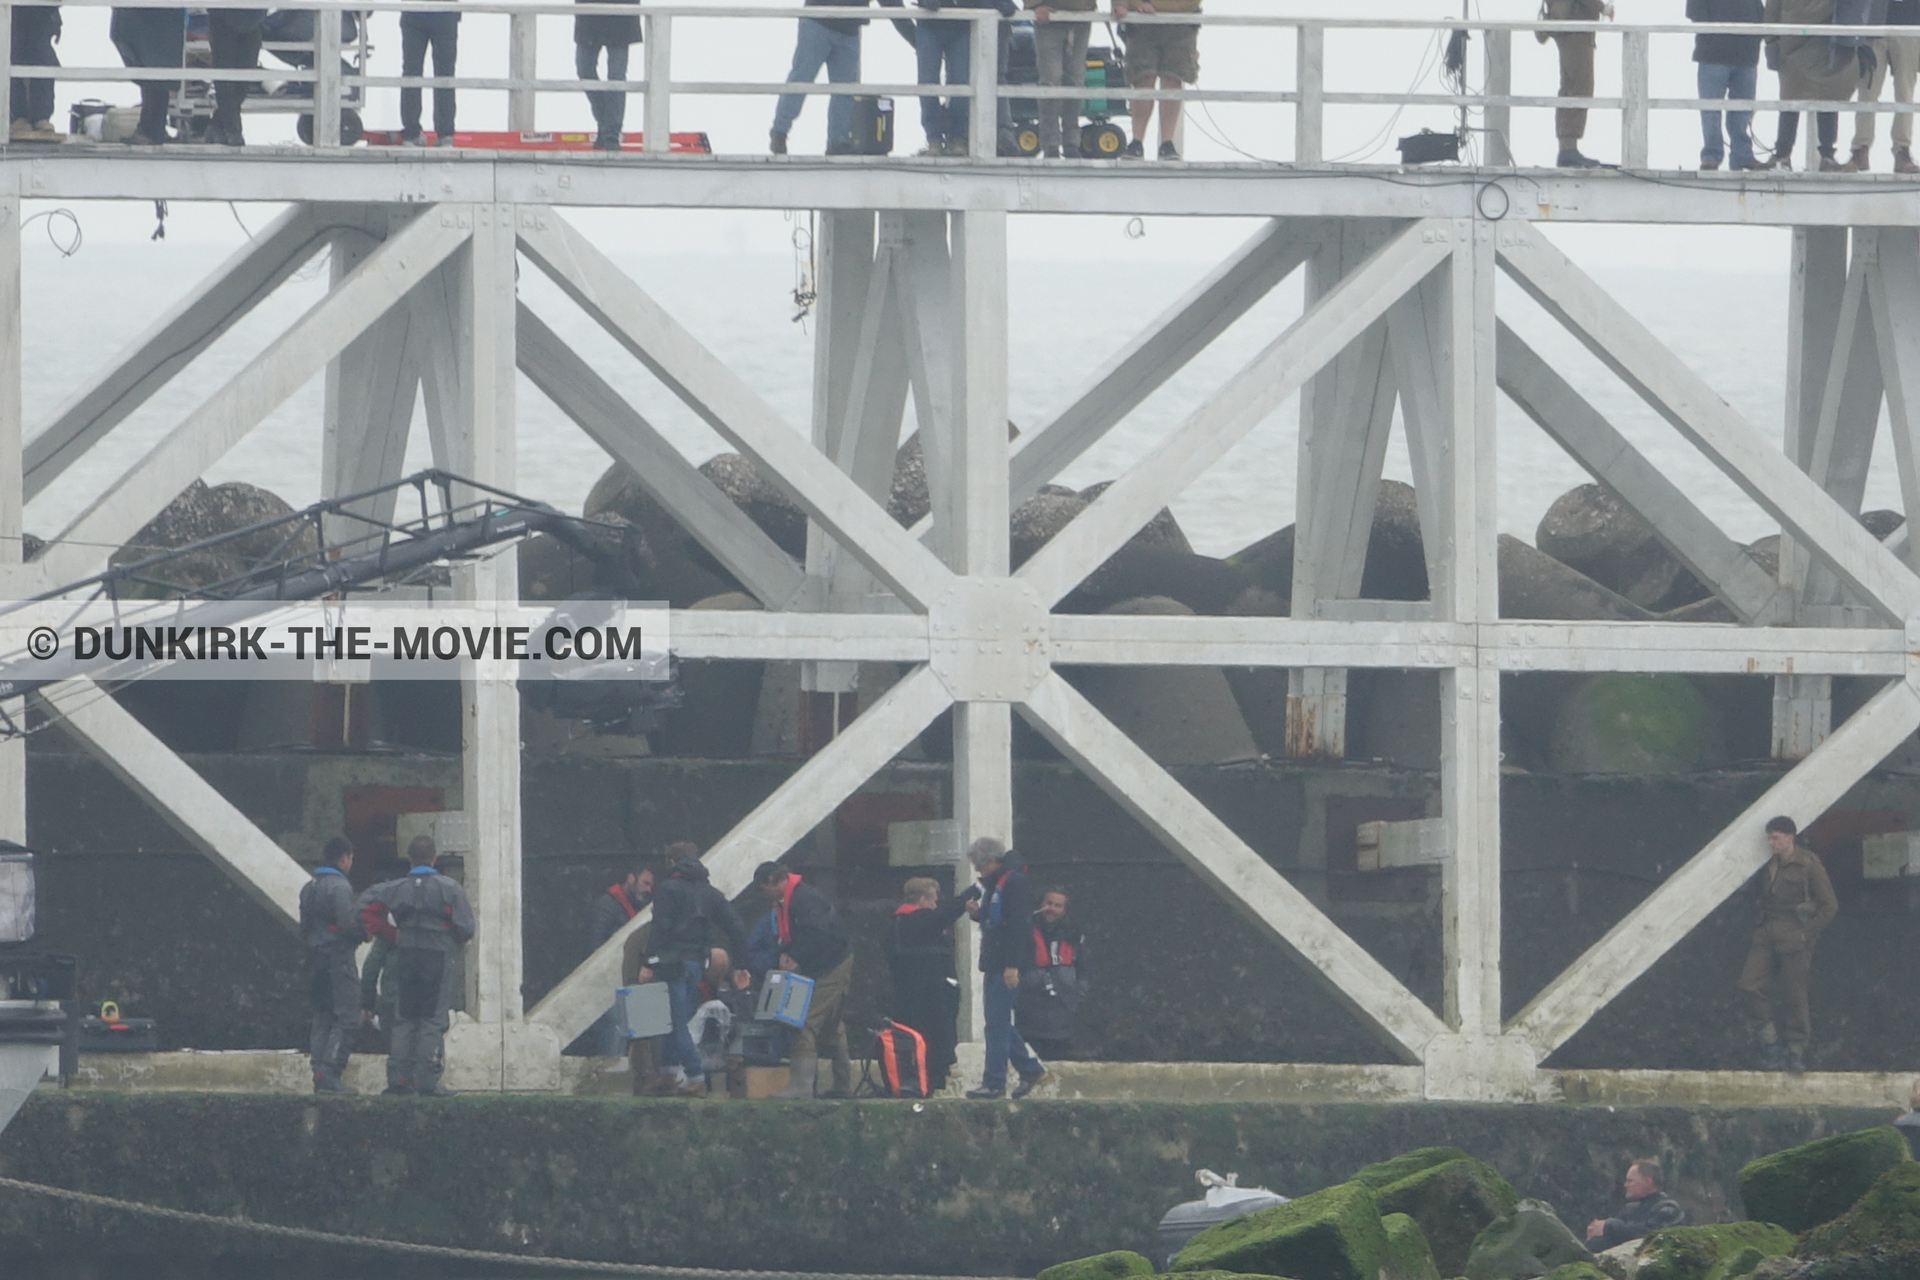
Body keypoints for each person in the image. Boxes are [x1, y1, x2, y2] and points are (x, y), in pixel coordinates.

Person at [358, 835, 474, 1096]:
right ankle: (427, 1082)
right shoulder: (450, 888)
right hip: (437, 956)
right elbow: (466, 928)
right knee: (432, 1021)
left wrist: (390, 932)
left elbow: (364, 909)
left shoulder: (393, 888)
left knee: (405, 1019)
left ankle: (398, 1080)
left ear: (409, 859)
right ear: (435, 859)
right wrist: (447, 936)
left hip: (406, 954)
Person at [638, 844, 749, 1098]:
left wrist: (647, 962)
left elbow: (660, 927)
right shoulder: (709, 892)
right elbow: (736, 927)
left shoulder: (668, 889)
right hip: (697, 964)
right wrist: (742, 963)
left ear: (672, 861)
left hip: (671, 963)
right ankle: (667, 1074)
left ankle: (696, 1077)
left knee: (675, 1022)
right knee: (673, 1018)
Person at [1737, 815, 1837, 1073]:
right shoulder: (1766, 864)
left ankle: (1795, 1050)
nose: (1771, 843)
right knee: (1749, 984)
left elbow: (1829, 905)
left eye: (1776, 837)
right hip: (1766, 932)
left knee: (1795, 994)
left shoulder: (1807, 864)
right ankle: (1771, 1043)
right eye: (1769, 838)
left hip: (1795, 936)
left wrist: (1807, 934)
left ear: (1790, 836)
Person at [753, 860, 855, 1099]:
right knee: (831, 1024)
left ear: (772, 882)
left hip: (831, 965)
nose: (762, 894)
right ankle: (842, 1084)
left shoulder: (803, 899)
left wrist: (793, 955)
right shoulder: (797, 898)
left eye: (762, 888)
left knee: (803, 1021)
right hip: (827, 961)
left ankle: (801, 1086)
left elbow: (815, 933)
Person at [963, 836, 1052, 1099]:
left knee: (996, 1024)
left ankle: (994, 1081)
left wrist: (1012, 965)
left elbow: (1017, 927)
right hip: (996, 963)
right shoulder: (998, 884)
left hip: (1006, 964)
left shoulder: (1013, 883)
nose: (978, 872)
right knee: (997, 1022)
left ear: (991, 861)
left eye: (979, 866)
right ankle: (1029, 1069)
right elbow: (998, 919)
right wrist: (977, 913)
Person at [770, 0, 911, 156]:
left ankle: (837, 142)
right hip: (818, 21)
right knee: (802, 80)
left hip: (848, 30)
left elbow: (892, 4)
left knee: (845, 90)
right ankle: (780, 131)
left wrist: (918, 41)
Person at [886, 876, 972, 1092]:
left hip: (906, 995)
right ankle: (930, 1083)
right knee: (935, 1044)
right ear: (923, 900)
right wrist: (977, 889)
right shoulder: (922, 920)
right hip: (932, 996)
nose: (935, 906)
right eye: (933, 900)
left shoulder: (893, 925)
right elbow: (948, 911)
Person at [1764, 0, 1865, 171]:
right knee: (1818, 98)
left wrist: (1771, 40)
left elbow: (1772, 11)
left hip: (1803, 41)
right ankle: (1822, 155)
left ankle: (1785, 154)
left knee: (1800, 99)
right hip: (1813, 42)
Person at [298, 836, 364, 1094]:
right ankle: (330, 1072)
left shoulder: (309, 887)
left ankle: (318, 1072)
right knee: (347, 1018)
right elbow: (347, 925)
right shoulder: (340, 887)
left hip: (314, 959)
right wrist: (363, 932)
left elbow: (304, 927)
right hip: (337, 960)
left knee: (323, 1015)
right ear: (344, 857)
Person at [913, 0, 1015, 157]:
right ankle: (933, 139)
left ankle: (957, 138)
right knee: (928, 83)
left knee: (962, 83)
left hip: (962, 25)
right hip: (929, 22)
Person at [578, 860, 656, 1057]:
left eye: (651, 885)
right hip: (606, 989)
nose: (649, 889)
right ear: (630, 878)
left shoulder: (635, 909)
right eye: (645, 883)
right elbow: (593, 949)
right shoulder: (605, 907)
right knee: (615, 1029)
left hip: (628, 985)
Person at [1113, 0, 1198, 160]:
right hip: (1141, 23)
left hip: (1179, 24)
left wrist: (1156, 7)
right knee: (1142, 79)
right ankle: (1137, 142)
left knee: (1173, 79)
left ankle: (1167, 142)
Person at [1689, 0, 1764, 171]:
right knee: (1711, 110)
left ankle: (1742, 156)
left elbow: (1759, 12)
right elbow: (1695, 11)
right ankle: (1711, 156)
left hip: (1746, 55)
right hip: (1713, 54)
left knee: (1743, 110)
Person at [1017, 885, 1090, 1062]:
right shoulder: (1023, 932)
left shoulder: (1075, 935)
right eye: (1049, 903)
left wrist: (1076, 997)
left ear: (1065, 910)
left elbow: (1085, 970)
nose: (1052, 909)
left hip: (1062, 1020)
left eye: (1058, 905)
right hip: (1029, 1016)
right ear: (1040, 904)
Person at [1845, 0, 1920, 170]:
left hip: (1908, 25)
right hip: (1873, 26)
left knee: (1905, 92)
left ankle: (1902, 149)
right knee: (1867, 91)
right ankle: (1860, 149)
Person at [1538, 0, 1612, 168]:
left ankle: (1568, 148)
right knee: (1578, 87)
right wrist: (1602, 8)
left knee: (1571, 87)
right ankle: (1568, 150)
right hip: (1575, 30)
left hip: (1571, 27)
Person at [111, 4, 186, 146]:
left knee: (156, 67)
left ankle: (152, 130)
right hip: (144, 15)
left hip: (159, 16)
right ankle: (152, 128)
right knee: (149, 66)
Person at [1026, 0, 1092, 158]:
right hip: (1048, 17)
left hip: (1082, 17)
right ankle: (1050, 144)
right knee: (1051, 80)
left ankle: (1071, 143)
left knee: (1076, 80)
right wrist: (1034, 5)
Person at [575, 0, 639, 151]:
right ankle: (606, 127)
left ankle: (610, 133)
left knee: (616, 76)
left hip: (621, 13)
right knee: (585, 70)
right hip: (589, 13)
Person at [1584, 1160, 1687, 1251]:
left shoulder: (1669, 1208)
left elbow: (1651, 1233)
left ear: (1647, 1181)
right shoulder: (1630, 1209)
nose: (1625, 1185)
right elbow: (1616, 1238)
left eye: (1630, 1181)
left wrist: (1608, 1226)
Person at [399, 3, 459, 145]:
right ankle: (438, 134)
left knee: (440, 75)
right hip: (425, 14)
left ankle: (437, 133)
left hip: (436, 14)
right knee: (416, 74)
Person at [205, 8, 267, 146]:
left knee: (245, 78)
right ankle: (233, 129)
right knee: (225, 77)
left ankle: (218, 123)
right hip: (221, 15)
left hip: (253, 19)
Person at [10, 0, 63, 142]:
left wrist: (56, 20)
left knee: (42, 55)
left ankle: (40, 117)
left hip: (42, 11)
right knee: (13, 53)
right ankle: (18, 116)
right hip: (15, 12)